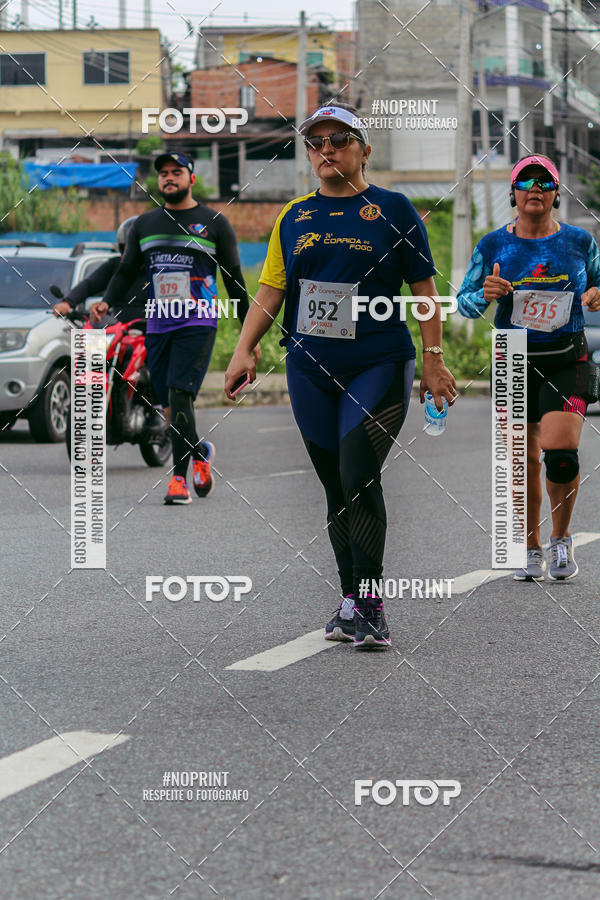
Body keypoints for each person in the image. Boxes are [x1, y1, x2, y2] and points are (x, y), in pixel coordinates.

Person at [225, 104, 457, 649]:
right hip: (309, 365)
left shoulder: (394, 209)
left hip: (378, 360)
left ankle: (371, 605)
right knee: (335, 486)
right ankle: (350, 598)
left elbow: (424, 291)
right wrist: (243, 348)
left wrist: (434, 357)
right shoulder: (293, 216)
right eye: (316, 142)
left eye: (340, 139)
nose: (326, 149)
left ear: (364, 151)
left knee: (359, 475)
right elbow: (272, 290)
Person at [457, 154, 600, 581]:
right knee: (522, 461)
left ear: (556, 193)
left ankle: (560, 538)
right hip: (513, 357)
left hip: (567, 357)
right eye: (525, 181)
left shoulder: (580, 241)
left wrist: (596, 294)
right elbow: (464, 304)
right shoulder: (492, 246)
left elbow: (598, 283)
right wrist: (484, 294)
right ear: (513, 193)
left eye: (544, 182)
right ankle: (530, 545)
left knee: (561, 455)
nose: (534, 188)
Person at [102, 151, 259, 505]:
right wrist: (106, 302)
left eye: (177, 172)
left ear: (192, 178)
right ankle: (200, 452)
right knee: (169, 405)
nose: (169, 177)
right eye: (163, 173)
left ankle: (178, 481)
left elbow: (234, 281)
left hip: (197, 321)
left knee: (179, 392)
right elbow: (125, 271)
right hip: (158, 324)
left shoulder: (214, 223)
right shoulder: (144, 224)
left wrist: (249, 335)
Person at [53, 216, 148, 324]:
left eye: (137, 247)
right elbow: (90, 285)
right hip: (118, 327)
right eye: (130, 247)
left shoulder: (158, 268)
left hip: (153, 327)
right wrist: (68, 303)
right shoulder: (116, 265)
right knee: (88, 330)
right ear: (122, 247)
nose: (133, 252)